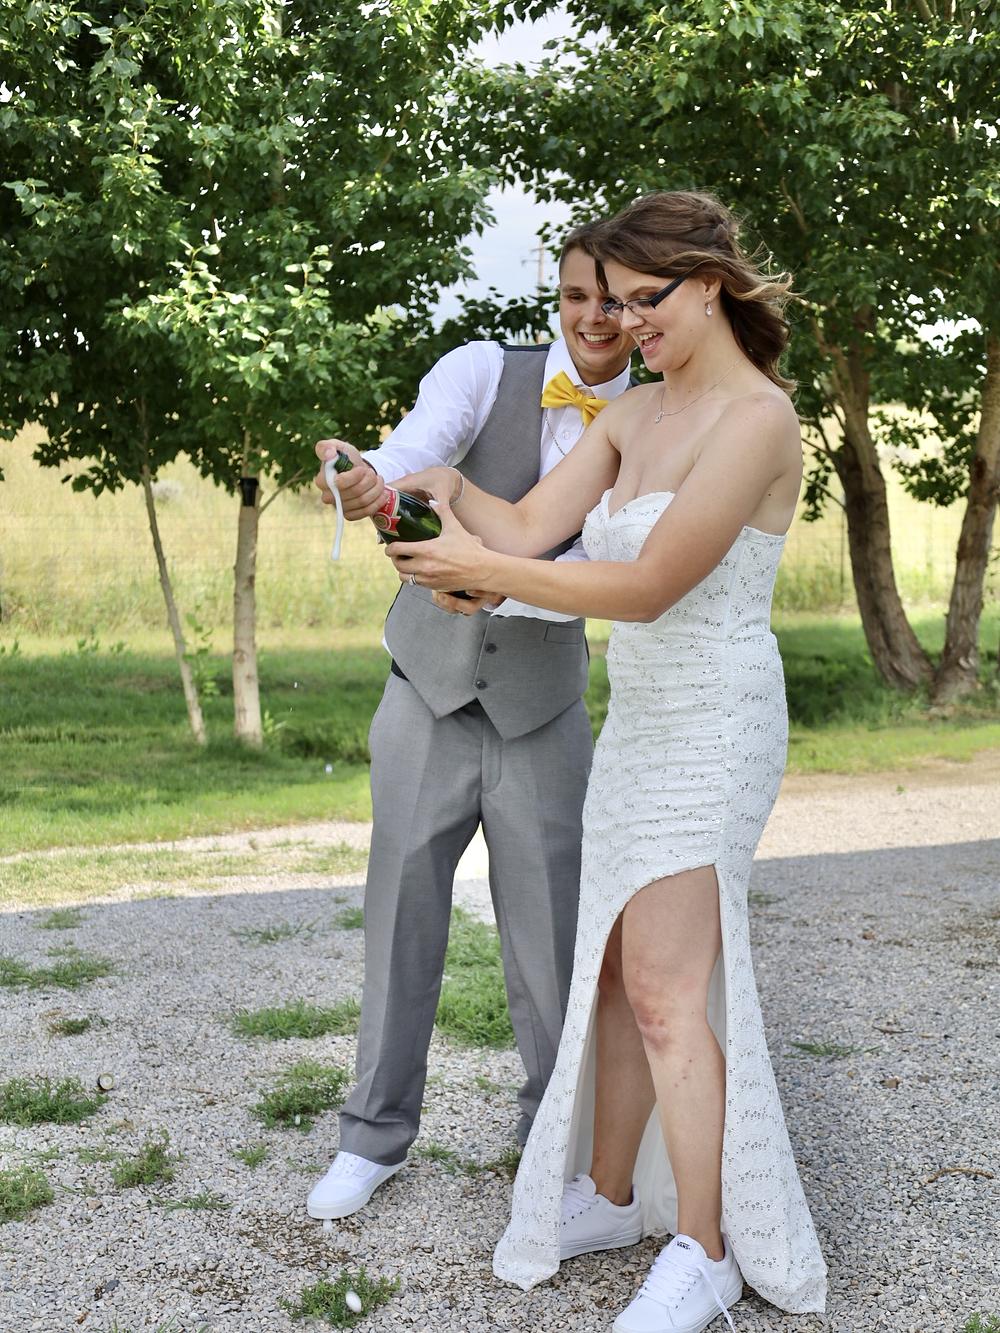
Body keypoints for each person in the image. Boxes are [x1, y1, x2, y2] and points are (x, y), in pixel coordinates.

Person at [379, 191, 828, 1333]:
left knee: (671, 994)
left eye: (644, 299)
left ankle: (707, 1252)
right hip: (640, 723)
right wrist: (441, 492)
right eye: (613, 303)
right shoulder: (633, 415)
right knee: (623, 978)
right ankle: (615, 1196)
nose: (625, 323)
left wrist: (488, 573)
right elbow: (530, 527)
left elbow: (645, 585)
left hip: (716, 721)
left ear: (709, 284)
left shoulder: (758, 420)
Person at [306, 225, 634, 1224]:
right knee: (400, 915)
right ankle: (372, 1136)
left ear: (644, 307)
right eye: (576, 295)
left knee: (551, 940)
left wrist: (491, 581)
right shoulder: (483, 369)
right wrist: (363, 478)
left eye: (614, 300)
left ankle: (553, 1142)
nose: (593, 318)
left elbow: (602, 574)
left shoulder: (653, 423)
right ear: (555, 295)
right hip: (425, 692)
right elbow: (412, 455)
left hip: (543, 708)